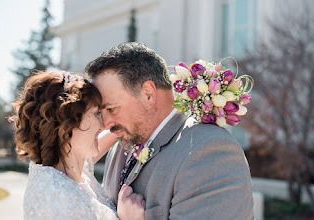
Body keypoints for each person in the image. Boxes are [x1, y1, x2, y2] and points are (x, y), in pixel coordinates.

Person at [85, 42, 255, 219]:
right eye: (100, 112)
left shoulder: (209, 151)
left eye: (111, 109)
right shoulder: (121, 145)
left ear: (148, 93)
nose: (105, 124)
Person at [10, 70, 145, 220]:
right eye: (95, 114)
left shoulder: (64, 166)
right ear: (68, 124)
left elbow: (105, 137)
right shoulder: (60, 199)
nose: (102, 126)